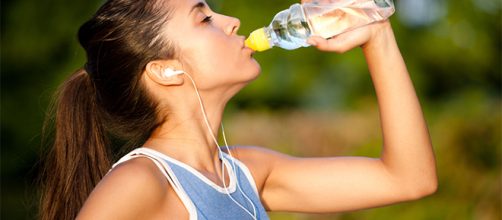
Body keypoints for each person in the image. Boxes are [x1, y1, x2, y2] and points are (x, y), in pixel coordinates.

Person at [39, 0, 438, 219]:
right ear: (166, 69)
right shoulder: (142, 182)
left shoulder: (246, 172)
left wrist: (378, 37)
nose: (231, 21)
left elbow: (409, 179)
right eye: (205, 18)